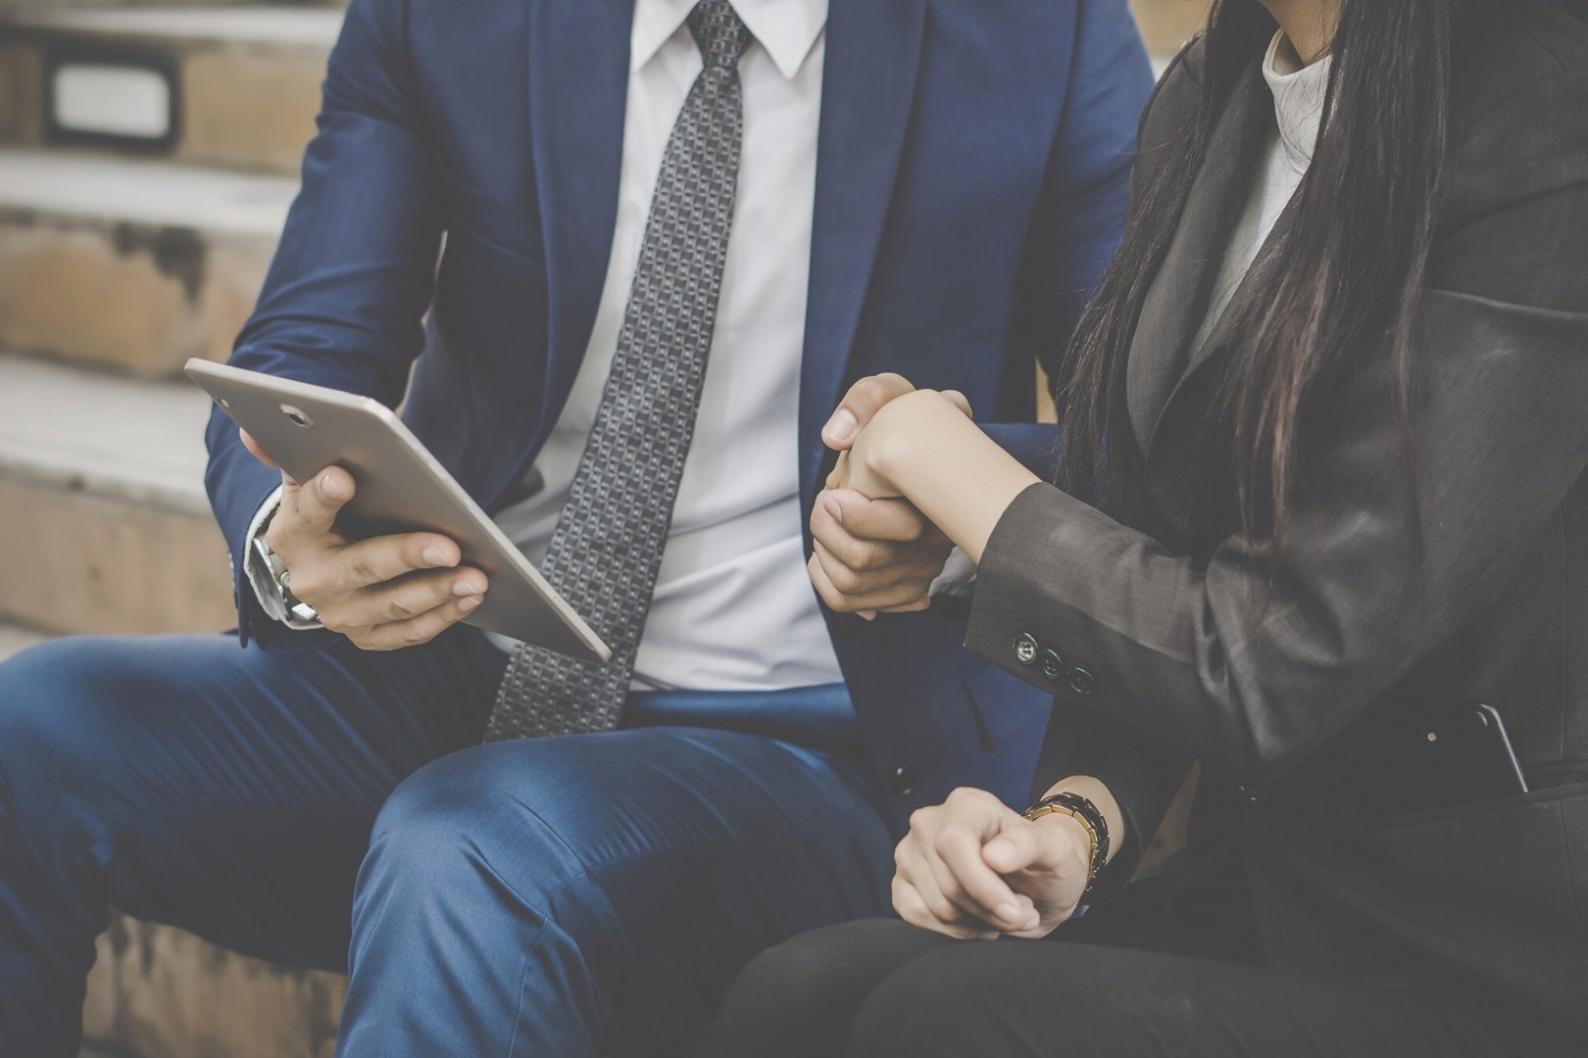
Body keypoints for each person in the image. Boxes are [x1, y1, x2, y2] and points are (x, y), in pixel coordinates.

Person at [0, 0, 1154, 1055]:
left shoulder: (1039, 30)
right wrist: (288, 540)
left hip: (824, 743)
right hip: (468, 661)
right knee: (30, 730)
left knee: (469, 844)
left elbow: (1146, 445)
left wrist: (957, 506)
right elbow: (301, 351)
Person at [695, 0, 1588, 1055]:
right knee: (799, 996)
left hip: (1494, 948)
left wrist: (950, 467)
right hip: (1280, 887)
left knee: (943, 1022)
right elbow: (1184, 527)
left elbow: (1269, 652)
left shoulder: (1542, 107)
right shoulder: (1216, 91)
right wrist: (1072, 828)